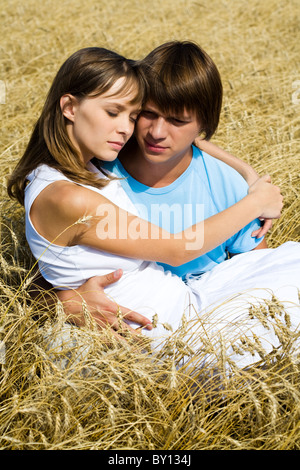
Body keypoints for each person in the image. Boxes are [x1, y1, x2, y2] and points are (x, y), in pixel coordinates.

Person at [7, 45, 299, 369]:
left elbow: (259, 261)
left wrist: (249, 175)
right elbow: (176, 249)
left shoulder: (90, 164)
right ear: (70, 108)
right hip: (161, 330)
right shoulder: (83, 183)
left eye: (131, 115)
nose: (151, 132)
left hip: (191, 307)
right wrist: (66, 301)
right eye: (140, 114)